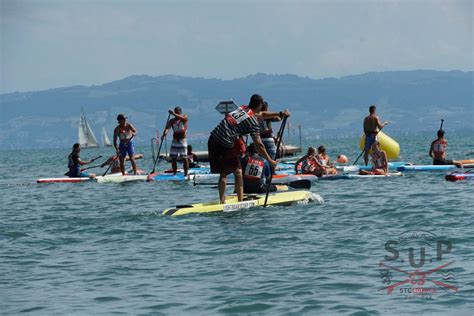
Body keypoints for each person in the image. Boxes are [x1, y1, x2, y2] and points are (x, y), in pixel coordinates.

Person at [208, 93, 290, 204]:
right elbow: (259, 145)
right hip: (225, 142)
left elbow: (261, 114)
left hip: (213, 138)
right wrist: (270, 161)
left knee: (223, 173)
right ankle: (240, 202)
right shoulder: (252, 121)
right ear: (260, 105)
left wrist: (280, 113)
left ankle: (222, 202)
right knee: (238, 172)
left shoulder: (242, 108)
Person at [162, 107, 189, 176]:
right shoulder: (172, 121)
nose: (176, 114)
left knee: (184, 158)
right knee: (173, 158)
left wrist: (173, 114)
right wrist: (165, 133)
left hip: (182, 140)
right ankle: (174, 173)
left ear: (180, 112)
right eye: (175, 112)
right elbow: (167, 128)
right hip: (175, 140)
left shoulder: (184, 117)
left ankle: (186, 174)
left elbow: (184, 118)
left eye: (178, 112)